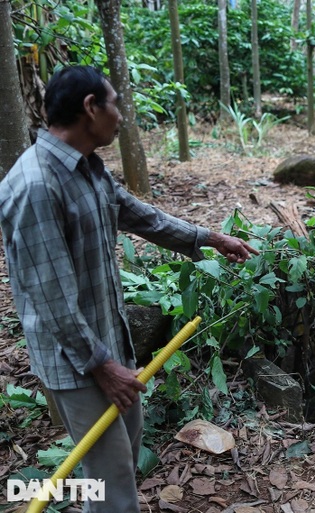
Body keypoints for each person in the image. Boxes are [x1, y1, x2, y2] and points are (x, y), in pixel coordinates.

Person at [0, 66, 258, 512]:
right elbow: (51, 299)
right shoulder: (36, 186)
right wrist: (102, 367)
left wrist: (213, 238)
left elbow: (140, 216)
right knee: (111, 472)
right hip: (75, 360)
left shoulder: (88, 169)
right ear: (90, 108)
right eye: (115, 103)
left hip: (108, 337)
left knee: (124, 451)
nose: (121, 115)